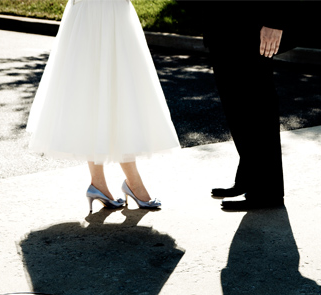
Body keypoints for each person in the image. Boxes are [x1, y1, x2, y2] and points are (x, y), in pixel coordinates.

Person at [26, 0, 179, 212]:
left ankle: (105, 184)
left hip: (103, 12)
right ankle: (127, 184)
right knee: (98, 94)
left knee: (111, 93)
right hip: (98, 12)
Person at [198, 2, 299, 211]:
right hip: (223, 25)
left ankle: (267, 193)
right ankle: (249, 180)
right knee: (238, 111)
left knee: (257, 109)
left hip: (253, 25)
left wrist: (275, 21)